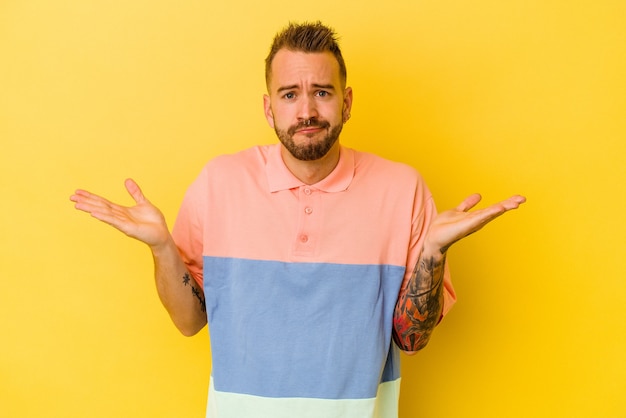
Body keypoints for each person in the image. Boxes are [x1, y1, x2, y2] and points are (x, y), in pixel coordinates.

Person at [71, 21, 525, 418]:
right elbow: (190, 322)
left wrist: (432, 252)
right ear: (269, 107)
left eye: (321, 93)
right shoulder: (219, 182)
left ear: (346, 103)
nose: (306, 111)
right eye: (290, 95)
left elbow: (411, 339)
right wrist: (161, 247)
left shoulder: (403, 189)